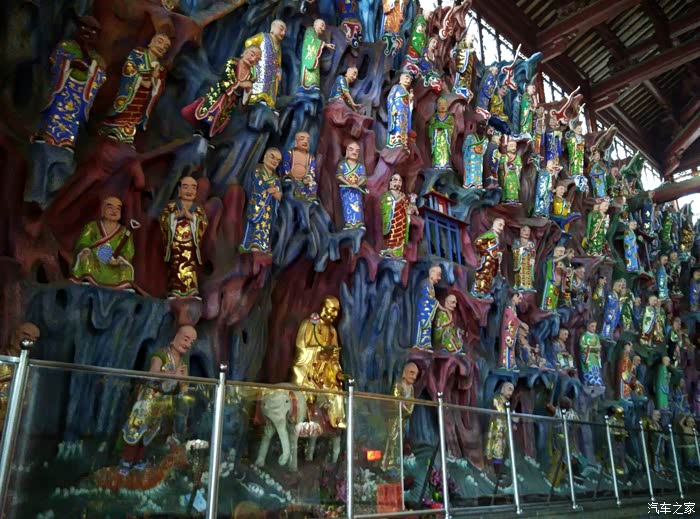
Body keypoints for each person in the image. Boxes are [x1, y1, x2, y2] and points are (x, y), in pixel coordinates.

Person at [119, 325, 196, 474]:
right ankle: (126, 461)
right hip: (148, 398)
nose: (187, 344)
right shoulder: (162, 354)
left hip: (162, 402)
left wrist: (184, 386)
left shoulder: (182, 364)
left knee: (150, 432)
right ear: (176, 337)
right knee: (136, 429)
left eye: (191, 342)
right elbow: (153, 373)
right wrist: (173, 374)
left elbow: (184, 385)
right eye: (186, 339)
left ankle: (139, 459)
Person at [33, 16, 105, 149]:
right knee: (54, 114)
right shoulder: (66, 46)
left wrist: (90, 64)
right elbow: (54, 65)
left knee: (72, 120)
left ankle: (67, 141)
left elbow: (100, 77)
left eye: (93, 30)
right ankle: (46, 135)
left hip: (79, 95)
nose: (87, 32)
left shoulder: (97, 58)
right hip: (62, 90)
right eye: (84, 27)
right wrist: (70, 64)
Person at [100, 33, 171, 144]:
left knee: (135, 116)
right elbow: (129, 68)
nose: (161, 47)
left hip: (142, 100)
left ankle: (129, 130)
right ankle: (114, 127)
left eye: (166, 47)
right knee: (123, 111)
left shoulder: (160, 68)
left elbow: (159, 86)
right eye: (159, 42)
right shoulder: (137, 55)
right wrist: (142, 80)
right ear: (150, 42)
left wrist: (155, 79)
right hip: (129, 93)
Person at [180, 46, 261, 137]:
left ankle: (208, 136)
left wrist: (248, 90)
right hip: (220, 95)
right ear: (245, 52)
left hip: (230, 103)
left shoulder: (251, 75)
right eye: (252, 54)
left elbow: (245, 96)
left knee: (219, 120)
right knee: (210, 113)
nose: (253, 59)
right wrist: (242, 84)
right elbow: (227, 80)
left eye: (257, 60)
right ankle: (200, 130)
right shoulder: (232, 63)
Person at [291, 296, 346, 428]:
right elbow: (300, 350)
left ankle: (337, 420)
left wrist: (338, 372)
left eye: (337, 311)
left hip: (324, 373)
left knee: (336, 391)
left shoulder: (332, 331)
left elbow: (335, 357)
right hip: (307, 370)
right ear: (324, 308)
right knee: (306, 395)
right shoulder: (309, 324)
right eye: (332, 310)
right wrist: (320, 351)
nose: (335, 314)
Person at [70, 196, 135, 290]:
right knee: (86, 258)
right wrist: (85, 250)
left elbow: (129, 250)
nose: (114, 211)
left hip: (114, 263)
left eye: (118, 208)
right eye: (110, 207)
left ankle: (122, 288)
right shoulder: (92, 226)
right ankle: (87, 280)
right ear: (102, 209)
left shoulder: (124, 232)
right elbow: (83, 242)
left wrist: (119, 259)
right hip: (95, 259)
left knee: (126, 268)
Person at [159, 176, 208, 298]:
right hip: (176, 242)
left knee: (190, 265)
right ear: (179, 190)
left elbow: (203, 223)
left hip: (190, 243)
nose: (189, 190)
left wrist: (191, 217)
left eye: (193, 188)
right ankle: (175, 289)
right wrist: (178, 215)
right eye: (185, 187)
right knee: (176, 265)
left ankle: (191, 289)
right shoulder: (172, 205)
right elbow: (164, 220)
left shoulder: (198, 208)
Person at [240, 148, 282, 253]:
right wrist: (268, 190)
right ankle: (250, 243)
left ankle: (263, 245)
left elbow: (280, 196)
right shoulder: (256, 170)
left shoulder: (276, 179)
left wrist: (277, 195)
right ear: (264, 157)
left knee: (265, 227)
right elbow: (254, 184)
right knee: (253, 226)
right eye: (272, 157)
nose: (275, 161)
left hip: (268, 211)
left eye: (278, 160)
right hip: (256, 205)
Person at [0, 323, 40, 430]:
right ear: (15, 334)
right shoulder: (3, 358)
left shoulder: (31, 369)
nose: (29, 340)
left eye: (34, 339)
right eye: (26, 335)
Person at [382, 362, 418, 469]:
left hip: (405, 418)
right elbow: (397, 401)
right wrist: (406, 410)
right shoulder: (398, 385)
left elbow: (412, 401)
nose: (414, 377)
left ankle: (398, 460)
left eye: (416, 374)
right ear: (404, 373)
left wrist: (409, 411)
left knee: (402, 438)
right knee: (392, 438)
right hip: (395, 417)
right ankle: (387, 461)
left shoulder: (411, 388)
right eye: (412, 373)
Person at [244, 20, 287, 107]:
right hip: (260, 68)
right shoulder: (263, 36)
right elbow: (248, 42)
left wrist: (279, 71)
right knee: (259, 83)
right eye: (281, 29)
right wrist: (254, 53)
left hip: (272, 74)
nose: (283, 33)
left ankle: (269, 102)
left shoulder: (278, 47)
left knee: (271, 88)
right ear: (273, 28)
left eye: (285, 32)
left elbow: (279, 62)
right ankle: (256, 97)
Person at [380, 174, 417, 258]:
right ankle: (390, 250)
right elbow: (385, 207)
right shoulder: (387, 195)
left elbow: (407, 209)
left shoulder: (404, 196)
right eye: (395, 180)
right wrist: (397, 201)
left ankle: (398, 253)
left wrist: (409, 211)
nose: (398, 182)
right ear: (390, 183)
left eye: (400, 181)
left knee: (400, 236)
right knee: (392, 235)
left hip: (402, 220)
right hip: (392, 220)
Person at [337, 141, 368, 229]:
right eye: (351, 150)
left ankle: (358, 222)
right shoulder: (342, 164)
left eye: (357, 151)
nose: (354, 152)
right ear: (347, 151)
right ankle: (348, 223)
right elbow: (339, 176)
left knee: (357, 205)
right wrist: (349, 184)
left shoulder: (360, 166)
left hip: (356, 191)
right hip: (346, 191)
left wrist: (357, 184)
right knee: (347, 205)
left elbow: (363, 178)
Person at [281, 131, 319, 203]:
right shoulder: (290, 153)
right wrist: (288, 173)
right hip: (291, 177)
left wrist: (308, 177)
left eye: (308, 140)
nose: (305, 141)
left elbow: (312, 170)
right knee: (289, 183)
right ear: (296, 142)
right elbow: (285, 164)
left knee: (313, 185)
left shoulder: (310, 158)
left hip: (303, 180)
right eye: (302, 139)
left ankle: (311, 197)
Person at [471, 218, 504, 299]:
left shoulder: (495, 236)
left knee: (488, 277)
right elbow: (477, 242)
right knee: (483, 274)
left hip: (492, 261)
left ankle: (484, 292)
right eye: (500, 225)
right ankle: (477, 291)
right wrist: (485, 251)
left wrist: (498, 254)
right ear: (494, 224)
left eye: (503, 226)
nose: (501, 228)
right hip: (486, 260)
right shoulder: (490, 234)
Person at [299, 19, 335, 91]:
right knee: (309, 75)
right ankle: (308, 86)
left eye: (324, 27)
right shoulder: (310, 30)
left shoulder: (317, 38)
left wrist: (324, 45)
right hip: (309, 61)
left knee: (315, 76)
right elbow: (311, 41)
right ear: (315, 24)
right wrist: (325, 44)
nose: (323, 29)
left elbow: (316, 42)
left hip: (315, 62)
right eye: (322, 25)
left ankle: (313, 86)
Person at [414, 265, 441, 351]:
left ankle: (426, 344)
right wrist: (436, 303)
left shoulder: (430, 285)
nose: (440, 278)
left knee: (428, 326)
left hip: (428, 310)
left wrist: (438, 305)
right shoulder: (425, 283)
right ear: (432, 273)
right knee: (422, 324)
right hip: (423, 309)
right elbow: (427, 298)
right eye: (438, 275)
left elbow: (433, 299)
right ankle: (419, 344)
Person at [386, 73, 413, 148]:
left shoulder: (407, 92)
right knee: (397, 124)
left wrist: (410, 99)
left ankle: (403, 142)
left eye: (410, 79)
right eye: (406, 78)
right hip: (397, 111)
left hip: (405, 113)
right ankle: (396, 141)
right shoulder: (396, 87)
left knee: (404, 127)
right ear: (401, 79)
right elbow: (390, 98)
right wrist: (393, 107)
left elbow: (408, 104)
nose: (408, 81)